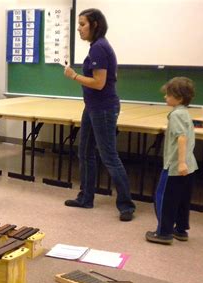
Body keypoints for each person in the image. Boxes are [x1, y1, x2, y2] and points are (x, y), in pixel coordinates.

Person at [63, 8, 135, 221]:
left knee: (109, 157)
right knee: (84, 152)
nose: (79, 29)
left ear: (95, 25)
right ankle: (85, 197)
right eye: (78, 24)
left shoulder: (99, 48)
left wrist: (74, 76)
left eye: (83, 24)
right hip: (93, 107)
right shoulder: (98, 47)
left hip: (103, 109)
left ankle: (126, 205)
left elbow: (99, 82)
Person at [145, 77, 198, 245]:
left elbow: (181, 138)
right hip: (189, 166)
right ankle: (180, 230)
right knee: (182, 200)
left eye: (168, 95)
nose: (165, 97)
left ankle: (164, 233)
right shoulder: (186, 113)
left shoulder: (176, 115)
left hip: (175, 166)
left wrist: (180, 162)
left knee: (164, 199)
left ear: (179, 98)